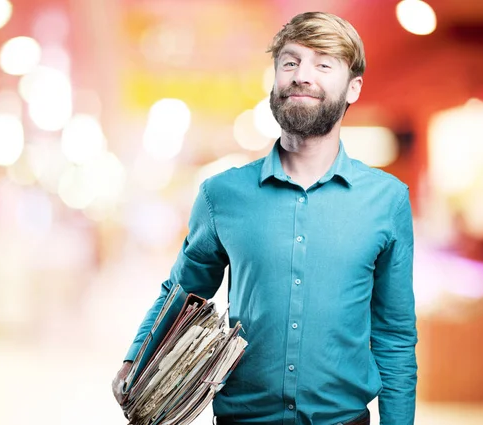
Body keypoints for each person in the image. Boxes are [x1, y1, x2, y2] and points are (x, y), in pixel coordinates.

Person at [112, 11, 417, 425]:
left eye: (323, 64)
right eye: (290, 62)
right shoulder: (222, 195)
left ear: (353, 88)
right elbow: (183, 292)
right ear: (274, 80)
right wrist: (136, 360)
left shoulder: (387, 201)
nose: (301, 75)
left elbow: (394, 336)